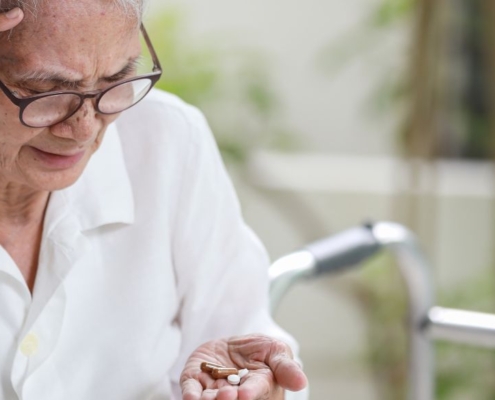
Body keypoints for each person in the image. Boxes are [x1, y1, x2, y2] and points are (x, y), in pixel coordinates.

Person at [0, 1, 308, 400]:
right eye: (46, 90)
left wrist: (263, 384)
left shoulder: (167, 142)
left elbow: (245, 338)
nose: (83, 127)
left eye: (117, 78)